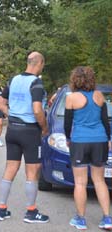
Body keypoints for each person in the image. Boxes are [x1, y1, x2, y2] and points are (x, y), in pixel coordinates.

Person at [0, 51, 49, 223]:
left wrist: (12, 115)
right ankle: (31, 212)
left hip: (13, 129)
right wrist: (45, 128)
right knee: (32, 171)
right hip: (30, 131)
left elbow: (0, 103)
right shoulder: (36, 83)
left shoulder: (13, 80)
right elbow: (37, 110)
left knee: (10, 168)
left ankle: (1, 208)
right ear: (39, 63)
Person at [64, 66, 112, 230]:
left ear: (75, 79)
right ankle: (107, 219)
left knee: (80, 182)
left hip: (80, 141)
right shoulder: (99, 96)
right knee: (100, 181)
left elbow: (67, 123)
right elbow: (105, 121)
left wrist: (69, 138)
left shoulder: (72, 98)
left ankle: (81, 219)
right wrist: (108, 139)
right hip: (100, 140)